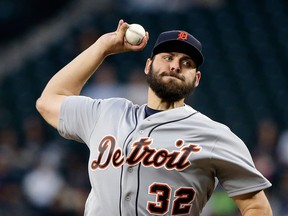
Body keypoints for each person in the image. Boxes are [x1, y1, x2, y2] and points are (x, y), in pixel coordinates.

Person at [36, 19, 273, 215]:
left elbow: (255, 205)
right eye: (168, 57)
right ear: (148, 66)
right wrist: (103, 47)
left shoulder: (214, 135)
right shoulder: (107, 113)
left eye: (186, 63)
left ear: (197, 79)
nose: (175, 66)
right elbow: (49, 101)